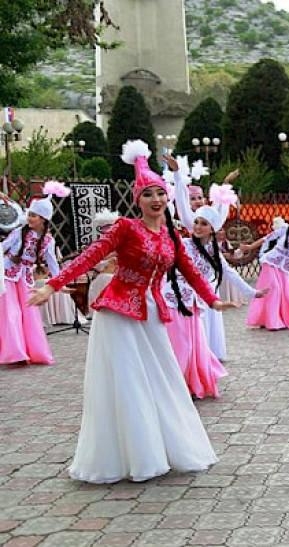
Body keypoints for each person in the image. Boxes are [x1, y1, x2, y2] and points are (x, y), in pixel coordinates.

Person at [28, 139, 236, 483]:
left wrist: (212, 300)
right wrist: (52, 284)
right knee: (128, 381)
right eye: (148, 195)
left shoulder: (172, 236)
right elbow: (90, 256)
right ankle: (132, 454)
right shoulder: (126, 228)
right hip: (118, 313)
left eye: (160, 194)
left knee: (162, 377)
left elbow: (190, 270)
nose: (156, 200)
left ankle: (164, 446)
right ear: (137, 199)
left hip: (154, 312)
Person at [162, 193, 265, 398]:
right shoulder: (183, 244)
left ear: (212, 228)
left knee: (193, 345)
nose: (198, 227)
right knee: (180, 344)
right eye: (197, 222)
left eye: (204, 223)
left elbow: (230, 273)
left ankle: (189, 383)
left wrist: (252, 292)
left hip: (194, 304)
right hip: (173, 301)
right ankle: (174, 385)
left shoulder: (214, 252)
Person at [1, 182, 65, 366]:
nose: (30, 218)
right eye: (29, 214)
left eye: (34, 215)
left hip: (25, 279)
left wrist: (59, 283)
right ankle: (15, 353)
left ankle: (34, 351)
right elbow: (2, 248)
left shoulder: (48, 241)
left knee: (30, 315)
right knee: (11, 313)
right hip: (7, 275)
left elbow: (53, 264)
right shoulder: (18, 232)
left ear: (44, 219)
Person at [242, 203, 289, 330]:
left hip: (285, 265)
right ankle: (270, 320)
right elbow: (267, 238)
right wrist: (250, 247)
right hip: (272, 260)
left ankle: (287, 317)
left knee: (288, 292)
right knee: (274, 288)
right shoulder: (284, 229)